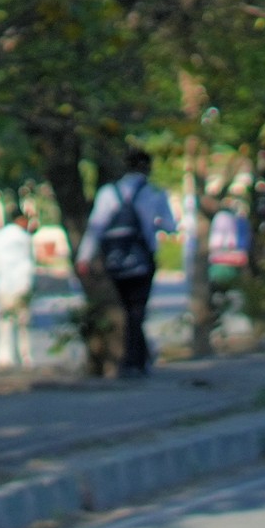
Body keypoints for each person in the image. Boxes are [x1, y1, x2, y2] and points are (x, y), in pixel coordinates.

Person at [75, 147, 177, 378]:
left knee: (126, 309)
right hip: (143, 258)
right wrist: (153, 223)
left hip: (116, 259)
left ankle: (135, 359)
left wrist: (84, 257)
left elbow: (96, 227)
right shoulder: (154, 193)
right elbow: (171, 226)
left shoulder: (109, 193)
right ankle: (136, 360)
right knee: (137, 310)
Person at [0, 208, 38, 369]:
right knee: (23, 322)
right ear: (19, 220)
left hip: (3, 285)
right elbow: (31, 261)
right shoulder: (25, 238)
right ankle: (25, 355)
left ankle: (3, 356)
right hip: (22, 284)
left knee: (4, 322)